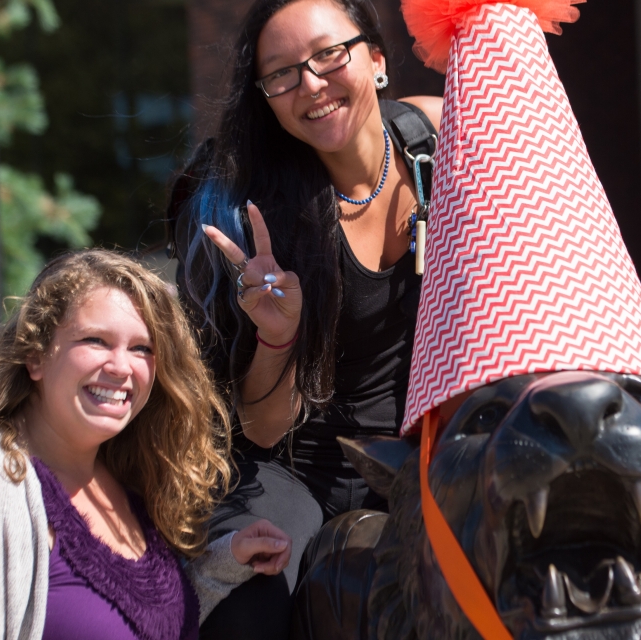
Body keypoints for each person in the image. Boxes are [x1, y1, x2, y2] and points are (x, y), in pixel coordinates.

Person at [166, 0, 442, 633]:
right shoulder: (260, 214)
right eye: (282, 74)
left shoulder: (434, 140)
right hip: (292, 470)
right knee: (252, 604)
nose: (310, 85)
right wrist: (278, 335)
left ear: (375, 59)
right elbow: (260, 430)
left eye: (327, 56)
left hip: (424, 456)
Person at [0, 250, 292, 639]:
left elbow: (138, 624)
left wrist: (224, 564)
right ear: (35, 356)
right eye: (95, 340)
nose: (121, 366)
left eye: (141, 348)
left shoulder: (129, 481)